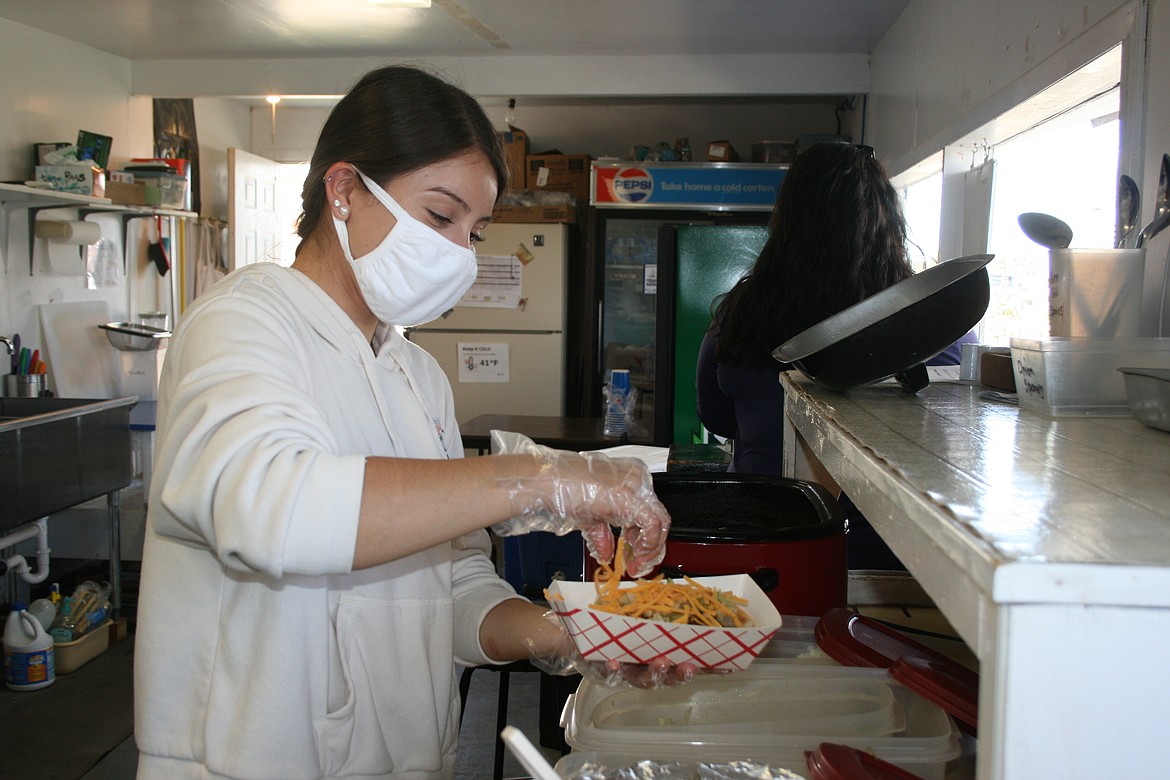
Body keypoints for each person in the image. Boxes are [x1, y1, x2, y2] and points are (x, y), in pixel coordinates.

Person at [133, 65, 671, 780]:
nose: (459, 253)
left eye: (474, 231)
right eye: (440, 216)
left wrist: (573, 635)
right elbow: (272, 507)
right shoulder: (241, 324)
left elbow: (447, 585)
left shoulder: (416, 377)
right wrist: (542, 477)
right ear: (345, 189)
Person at [696, 142, 974, 477]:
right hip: (878, 526)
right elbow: (954, 432)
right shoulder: (934, 319)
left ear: (786, 219)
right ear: (889, 220)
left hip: (764, 514)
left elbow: (718, 419)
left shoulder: (741, 317)